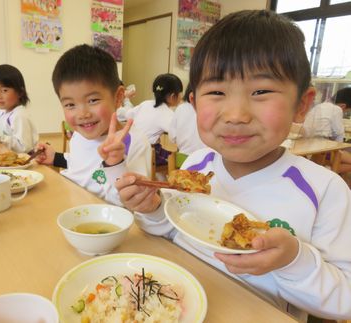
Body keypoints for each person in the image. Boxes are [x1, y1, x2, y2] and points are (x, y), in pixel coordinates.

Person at [115, 10, 351, 321]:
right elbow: (172, 232)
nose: (236, 114)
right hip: (175, 307)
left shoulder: (324, 190)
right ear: (194, 102)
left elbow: (343, 300)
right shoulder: (198, 165)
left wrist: (293, 260)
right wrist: (153, 209)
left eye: (261, 91)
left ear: (302, 104)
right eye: (216, 92)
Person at [35, 44, 151, 206]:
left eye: (93, 100)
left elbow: (133, 201)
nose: (82, 114)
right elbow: (81, 165)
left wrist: (115, 164)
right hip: (69, 205)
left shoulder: (134, 142)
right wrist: (56, 157)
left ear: (118, 97)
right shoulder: (79, 135)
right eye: (70, 105)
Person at [0, 64, 38, 153]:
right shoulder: (4, 113)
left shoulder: (19, 115)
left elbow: (23, 147)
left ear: (20, 92)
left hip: (23, 162)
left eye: (4, 90)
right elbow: (1, 133)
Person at [126, 73, 183, 166]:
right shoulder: (167, 113)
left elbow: (128, 115)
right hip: (147, 152)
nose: (181, 97)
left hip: (130, 147)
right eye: (180, 93)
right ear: (173, 96)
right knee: (176, 160)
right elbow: (177, 136)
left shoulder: (145, 103)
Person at [168, 85, 205, 155]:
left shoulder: (180, 108)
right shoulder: (211, 110)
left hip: (182, 160)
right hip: (205, 161)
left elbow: (172, 137)